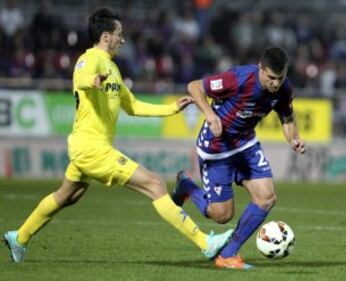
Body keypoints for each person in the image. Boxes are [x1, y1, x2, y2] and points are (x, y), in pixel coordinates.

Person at [4, 8, 233, 263]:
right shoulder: (90, 59)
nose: (122, 40)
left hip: (89, 147)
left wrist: (172, 109)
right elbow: (80, 75)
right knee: (156, 184)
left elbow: (132, 105)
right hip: (91, 148)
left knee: (66, 196)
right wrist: (92, 80)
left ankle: (19, 238)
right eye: (119, 35)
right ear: (105, 37)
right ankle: (206, 243)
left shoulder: (112, 68)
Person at [172, 46, 306, 269]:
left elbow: (288, 118)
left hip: (246, 145)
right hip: (217, 148)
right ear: (260, 68)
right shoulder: (239, 79)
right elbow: (194, 86)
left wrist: (294, 139)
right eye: (271, 78)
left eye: (280, 78)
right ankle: (187, 185)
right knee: (222, 216)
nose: (276, 83)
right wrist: (209, 114)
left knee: (267, 198)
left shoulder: (284, 89)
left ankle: (228, 254)